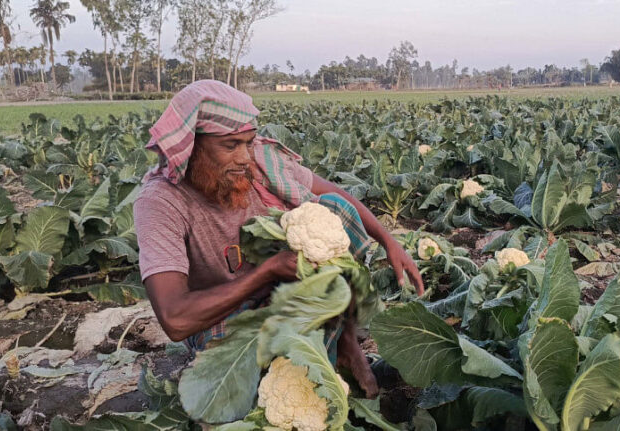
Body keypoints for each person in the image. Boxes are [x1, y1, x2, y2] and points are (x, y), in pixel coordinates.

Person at [134, 80, 424, 398]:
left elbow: (334, 193)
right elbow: (176, 319)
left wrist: (388, 241)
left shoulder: (262, 163)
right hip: (222, 314)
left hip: (285, 287)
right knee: (261, 386)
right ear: (193, 147)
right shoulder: (161, 202)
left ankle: (346, 341)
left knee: (335, 212)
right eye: (230, 146)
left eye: (248, 142)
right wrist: (268, 271)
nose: (245, 157)